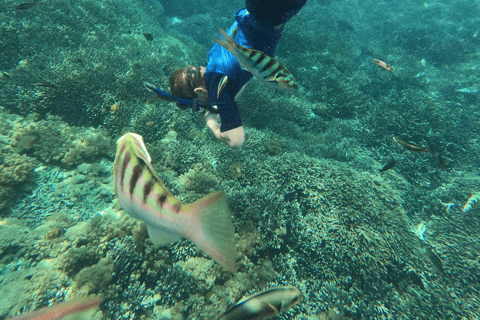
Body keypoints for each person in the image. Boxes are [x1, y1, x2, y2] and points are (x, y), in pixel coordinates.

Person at [147, 0, 307, 148]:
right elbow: (236, 87)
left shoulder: (217, 86)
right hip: (255, 10)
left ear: (200, 92)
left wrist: (213, 125)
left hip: (271, 15)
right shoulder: (212, 59)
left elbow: (236, 141)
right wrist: (206, 107)